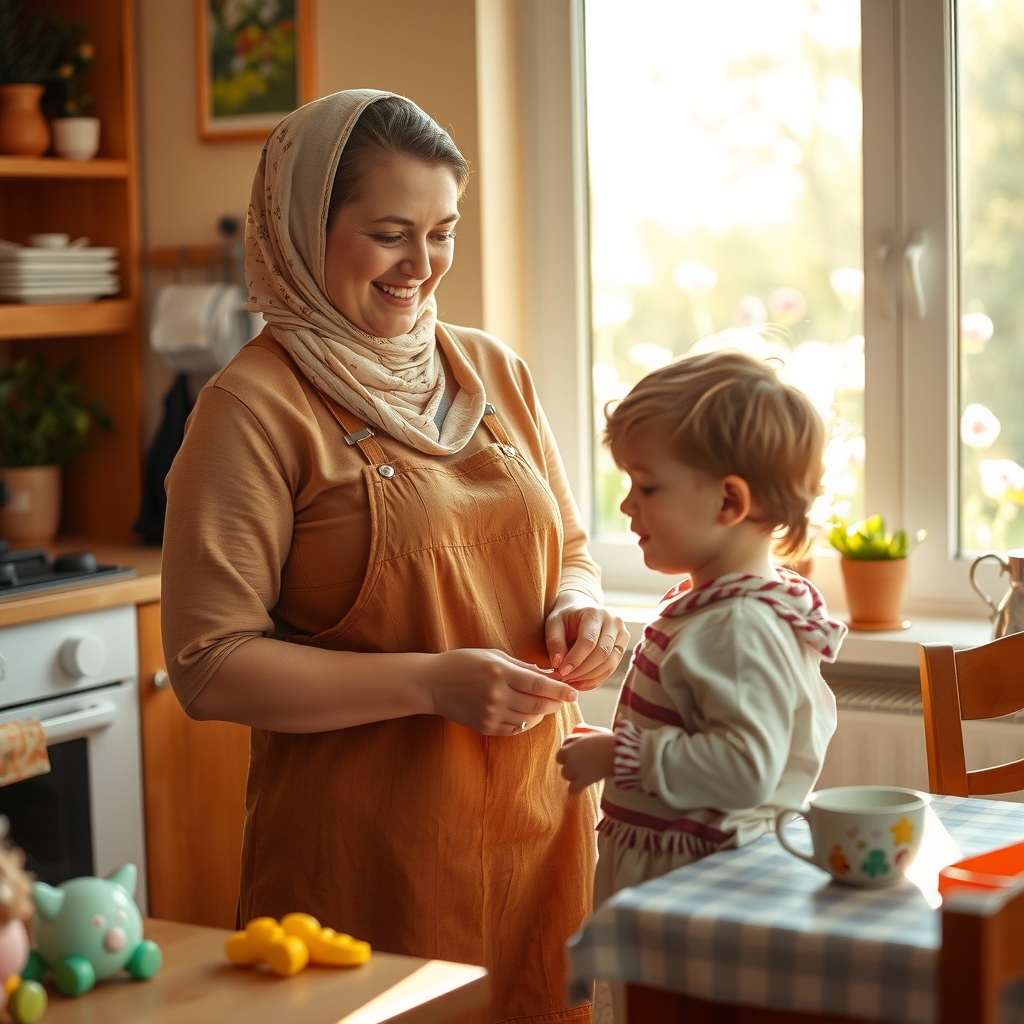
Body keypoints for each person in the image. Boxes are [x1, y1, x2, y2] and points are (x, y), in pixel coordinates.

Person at [161, 89, 629, 1024]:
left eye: (443, 232)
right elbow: (209, 668)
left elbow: (570, 548)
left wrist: (581, 609)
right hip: (365, 865)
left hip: (535, 832)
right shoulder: (250, 410)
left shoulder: (491, 371)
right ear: (304, 229)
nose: (422, 266)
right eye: (389, 233)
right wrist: (431, 684)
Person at [556, 350, 845, 909]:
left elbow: (744, 770)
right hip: (691, 867)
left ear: (729, 501)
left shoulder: (735, 626)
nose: (626, 504)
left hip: (700, 881)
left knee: (664, 1001)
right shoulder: (721, 604)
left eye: (648, 487)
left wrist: (622, 756)